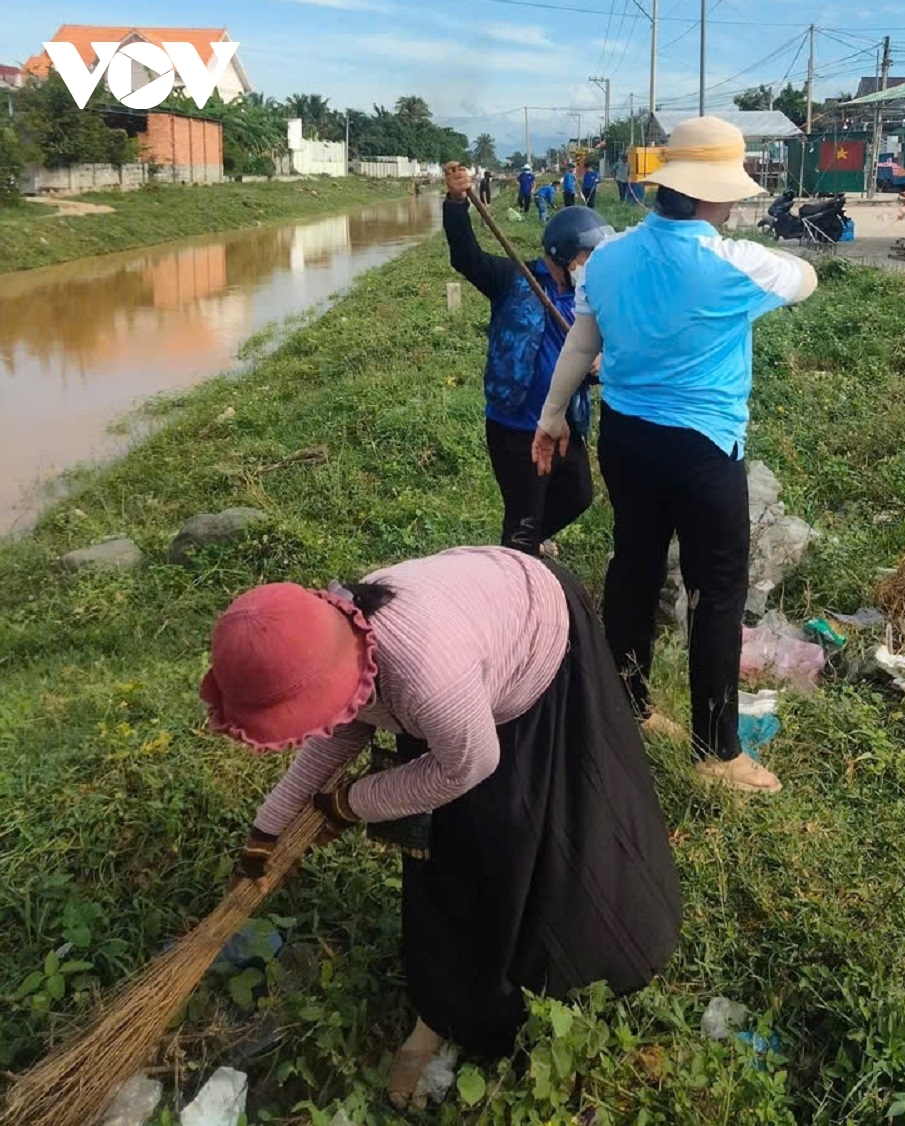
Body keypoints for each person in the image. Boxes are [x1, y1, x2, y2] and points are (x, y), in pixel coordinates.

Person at [204, 547, 682, 1111]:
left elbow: (471, 764)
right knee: (444, 844)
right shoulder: (336, 643)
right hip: (463, 661)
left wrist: (351, 804)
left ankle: (557, 959)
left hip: (537, 628)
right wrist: (268, 829)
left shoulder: (430, 673)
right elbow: (338, 729)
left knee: (505, 832)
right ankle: (448, 996)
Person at [531, 116, 818, 794]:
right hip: (702, 450)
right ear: (712, 192)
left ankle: (629, 705)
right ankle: (717, 753)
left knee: (633, 566)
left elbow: (581, 341)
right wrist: (742, 252)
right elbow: (804, 277)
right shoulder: (731, 264)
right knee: (716, 591)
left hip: (626, 438)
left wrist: (551, 417)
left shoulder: (607, 258)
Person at [442, 163, 612, 555]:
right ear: (565, 253)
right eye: (588, 256)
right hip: (516, 425)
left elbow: (611, 349)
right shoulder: (513, 280)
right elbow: (465, 256)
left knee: (578, 495)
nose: (594, 265)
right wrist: (456, 202)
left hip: (565, 422)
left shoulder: (594, 295)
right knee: (523, 515)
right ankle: (517, 562)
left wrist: (603, 363)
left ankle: (525, 543)